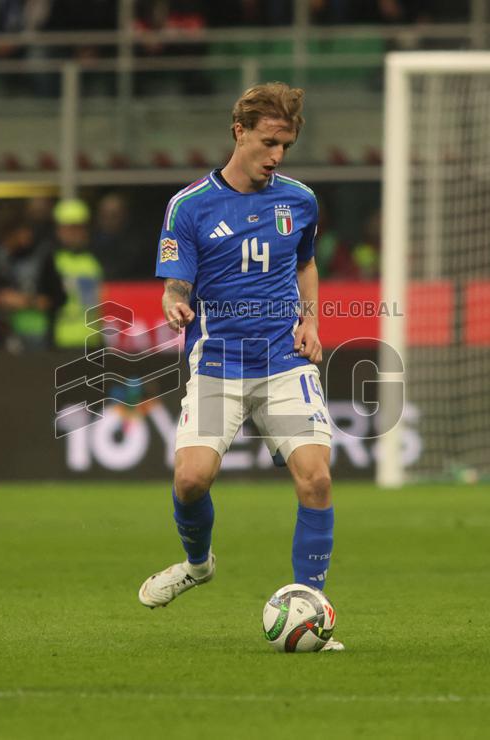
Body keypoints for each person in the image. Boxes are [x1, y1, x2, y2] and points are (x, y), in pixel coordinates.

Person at [137, 82, 342, 650]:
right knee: (190, 479)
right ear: (240, 133)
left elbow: (306, 264)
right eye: (269, 142)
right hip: (218, 364)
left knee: (317, 478)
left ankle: (312, 609)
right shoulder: (190, 206)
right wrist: (175, 301)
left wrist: (311, 321)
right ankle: (198, 565)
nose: (276, 156)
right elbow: (177, 279)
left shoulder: (299, 200)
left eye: (286, 146)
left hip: (283, 359)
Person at [0, 206, 59, 352]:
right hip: (5, 334)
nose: (26, 236)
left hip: (39, 334)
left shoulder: (42, 257)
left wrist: (29, 301)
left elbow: (57, 297)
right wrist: (0, 298)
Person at [44, 198, 103, 349]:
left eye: (78, 228)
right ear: (59, 230)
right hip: (59, 339)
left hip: (93, 339)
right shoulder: (51, 261)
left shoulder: (94, 261)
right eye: (69, 228)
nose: (74, 233)